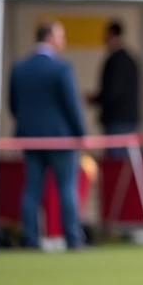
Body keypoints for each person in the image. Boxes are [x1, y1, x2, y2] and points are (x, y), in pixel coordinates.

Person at [9, 20, 88, 249]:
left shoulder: (19, 67)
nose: (63, 41)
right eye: (60, 36)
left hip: (30, 138)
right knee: (66, 188)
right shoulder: (61, 68)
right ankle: (73, 239)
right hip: (61, 139)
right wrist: (81, 134)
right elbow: (72, 105)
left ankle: (30, 239)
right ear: (50, 37)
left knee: (31, 189)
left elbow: (13, 105)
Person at [89, 20, 141, 157]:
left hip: (116, 122)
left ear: (110, 34)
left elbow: (113, 93)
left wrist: (95, 99)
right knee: (125, 165)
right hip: (129, 120)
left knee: (115, 164)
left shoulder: (115, 61)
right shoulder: (130, 59)